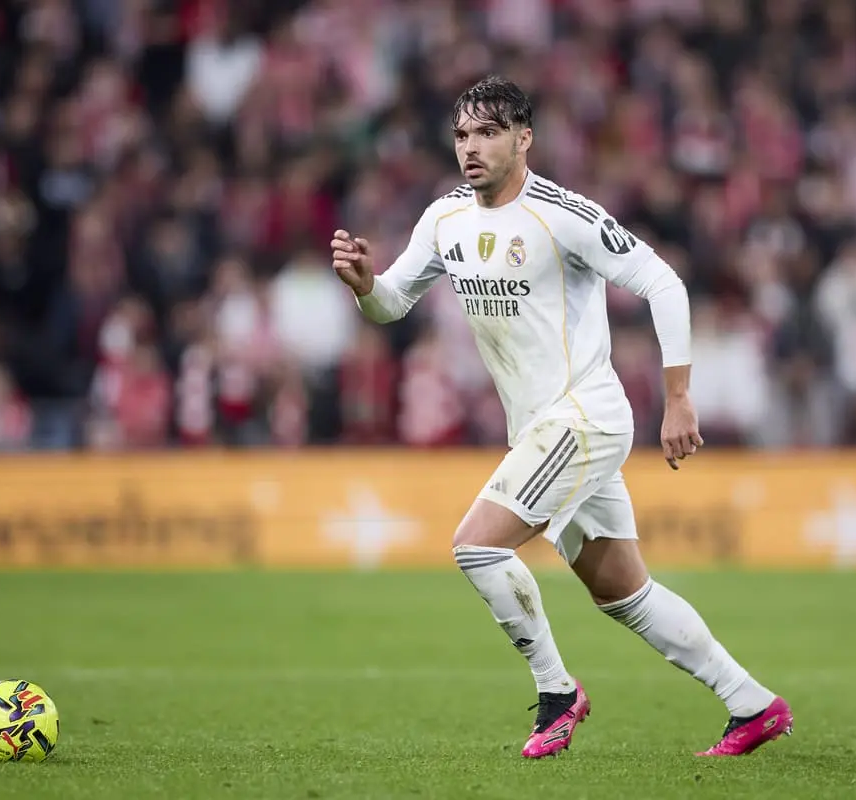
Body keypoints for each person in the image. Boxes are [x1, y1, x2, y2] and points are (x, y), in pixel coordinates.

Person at [329, 76, 793, 759]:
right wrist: (367, 285)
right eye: (461, 134)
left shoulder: (563, 214)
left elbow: (664, 281)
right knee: (623, 593)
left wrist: (680, 395)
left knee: (476, 545)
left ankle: (557, 693)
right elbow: (394, 302)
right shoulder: (444, 219)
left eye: (488, 133)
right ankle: (752, 704)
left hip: (585, 417)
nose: (471, 148)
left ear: (524, 139)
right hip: (544, 428)